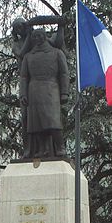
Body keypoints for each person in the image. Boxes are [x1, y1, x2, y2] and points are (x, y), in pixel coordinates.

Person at [19, 28, 69, 159]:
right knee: (36, 123)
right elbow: (23, 77)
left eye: (40, 36)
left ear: (45, 36)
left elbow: (64, 74)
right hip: (33, 90)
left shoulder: (57, 53)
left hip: (51, 88)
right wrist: (23, 94)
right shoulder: (28, 57)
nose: (38, 39)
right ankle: (42, 150)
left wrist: (65, 93)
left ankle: (60, 147)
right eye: (35, 37)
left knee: (53, 120)